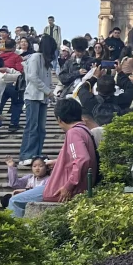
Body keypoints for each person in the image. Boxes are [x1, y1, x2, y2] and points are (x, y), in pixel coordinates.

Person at [11, 99, 98, 217]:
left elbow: (82, 159)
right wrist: (58, 162)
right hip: (80, 185)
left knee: (15, 201)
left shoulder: (74, 133)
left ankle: (19, 235)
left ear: (59, 119)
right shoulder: (85, 130)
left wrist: (68, 186)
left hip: (64, 188)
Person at [17, 34, 53, 166]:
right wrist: (47, 90)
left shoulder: (46, 60)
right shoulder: (36, 57)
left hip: (43, 97)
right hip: (33, 96)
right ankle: (26, 155)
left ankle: (37, 154)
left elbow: (47, 79)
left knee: (41, 129)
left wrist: (50, 91)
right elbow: (32, 76)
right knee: (32, 127)